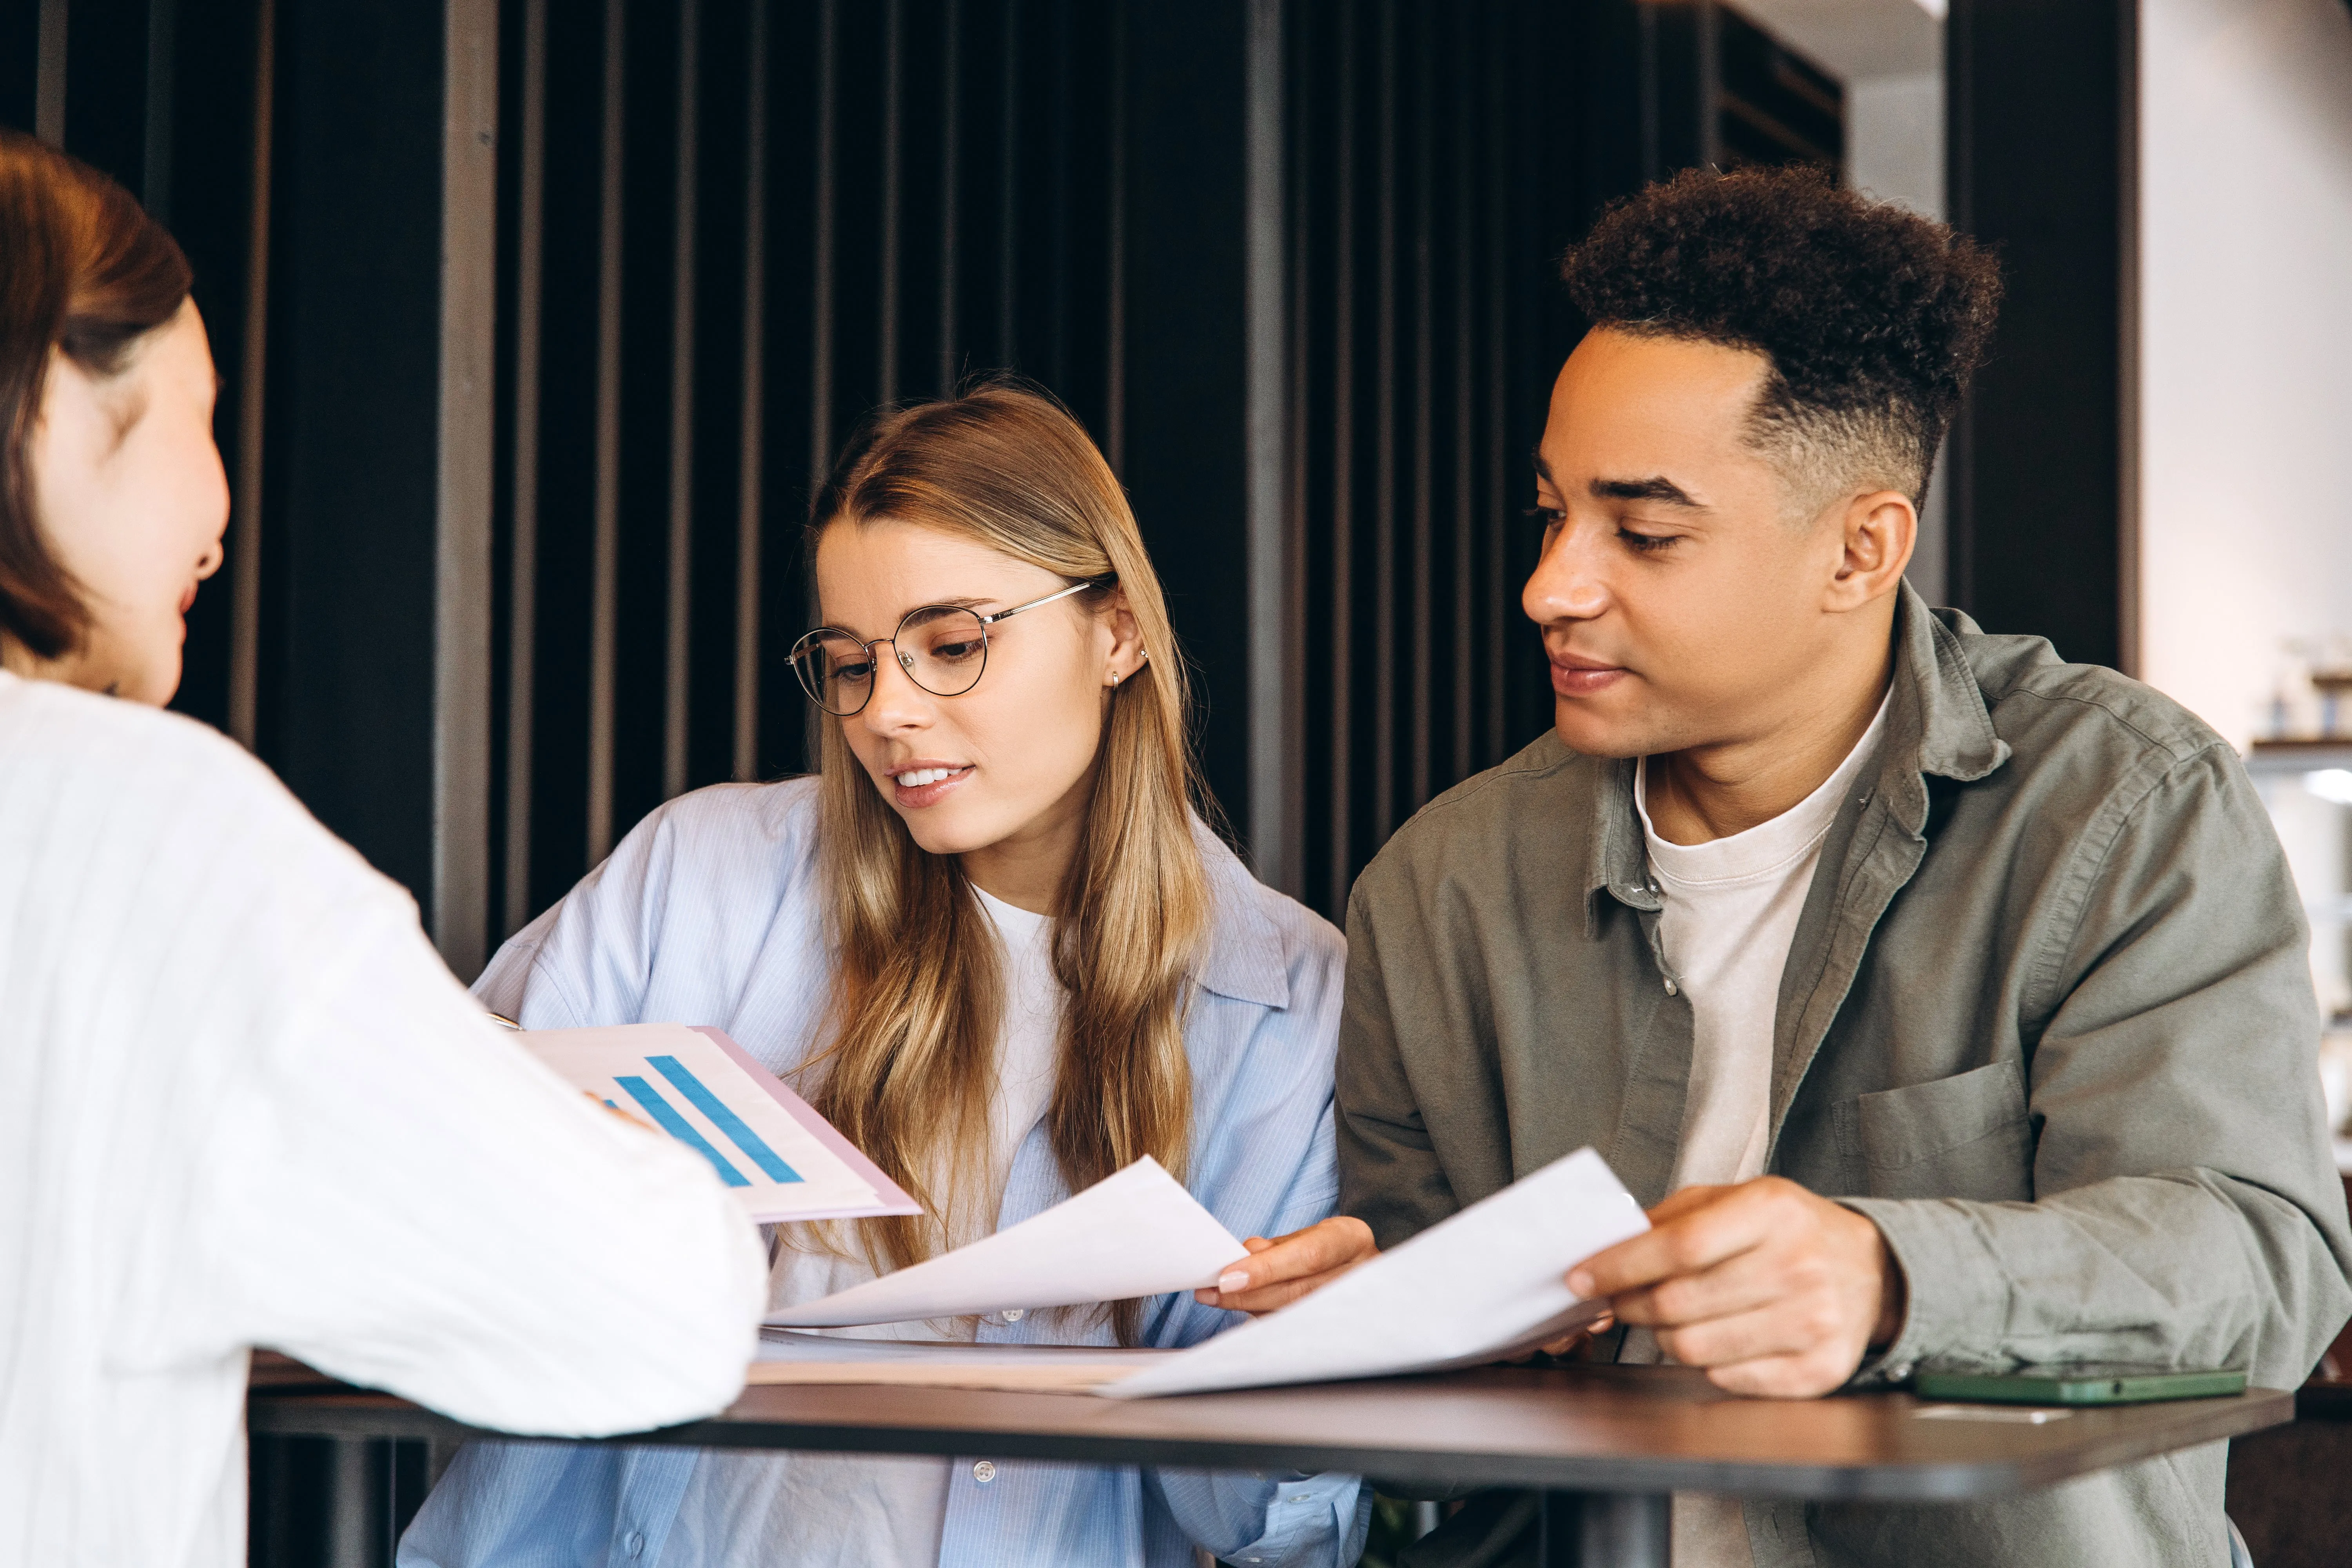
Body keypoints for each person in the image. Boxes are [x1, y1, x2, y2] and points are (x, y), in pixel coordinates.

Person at [1230, 165, 2352, 1567]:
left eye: (1645, 534)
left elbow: (2259, 1264)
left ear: (1861, 548)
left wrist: (1889, 1278)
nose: (1552, 586)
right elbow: (1441, 1350)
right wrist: (1382, 1306)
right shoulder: (1445, 884)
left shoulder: (2118, 808)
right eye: (1550, 515)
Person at [398, 382, 1372, 1568]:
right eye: (853, 664)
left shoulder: (1282, 997)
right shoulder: (699, 879)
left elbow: (1267, 1530)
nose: (889, 713)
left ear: (1117, 631)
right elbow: (423, 1177)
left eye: (952, 646)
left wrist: (1313, 1359)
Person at [0, 133, 769, 1567]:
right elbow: (649, 1307)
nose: (221, 523)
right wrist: (620, 1159)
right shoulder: (153, 839)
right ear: (45, 403)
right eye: (199, 421)